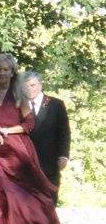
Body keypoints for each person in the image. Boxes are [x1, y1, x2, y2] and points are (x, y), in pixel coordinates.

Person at [0, 53, 62, 224]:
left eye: (6, 70)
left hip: (16, 150)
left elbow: (29, 124)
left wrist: (7, 131)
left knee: (25, 191)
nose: (2, 73)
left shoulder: (20, 95)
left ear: (12, 73)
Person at [23, 71, 71, 203]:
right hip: (25, 166)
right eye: (26, 86)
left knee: (49, 205)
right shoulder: (19, 106)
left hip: (49, 164)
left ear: (40, 85)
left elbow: (64, 132)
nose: (30, 89)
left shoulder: (56, 105)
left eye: (33, 85)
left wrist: (63, 155)